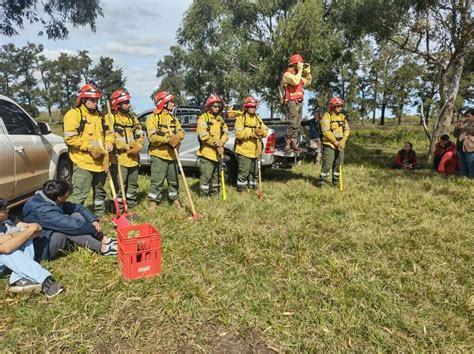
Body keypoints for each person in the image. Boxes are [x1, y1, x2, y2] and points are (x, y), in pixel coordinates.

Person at [23, 180, 117, 260]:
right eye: (67, 195)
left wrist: (93, 220)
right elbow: (73, 226)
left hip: (48, 234)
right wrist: (94, 230)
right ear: (59, 197)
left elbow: (78, 208)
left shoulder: (47, 198)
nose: (68, 196)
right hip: (41, 249)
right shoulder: (42, 211)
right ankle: (102, 248)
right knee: (67, 229)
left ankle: (103, 239)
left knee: (75, 214)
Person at [63, 83, 114, 217]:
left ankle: (100, 216)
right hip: (83, 162)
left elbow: (109, 133)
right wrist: (90, 147)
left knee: (100, 192)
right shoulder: (73, 114)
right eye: (92, 100)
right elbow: (70, 138)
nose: (95, 103)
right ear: (83, 100)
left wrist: (109, 143)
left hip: (101, 163)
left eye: (97, 100)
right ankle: (72, 219)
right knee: (80, 193)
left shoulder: (101, 116)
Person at [0, 198, 64, 298]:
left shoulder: (10, 219)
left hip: (9, 262)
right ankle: (45, 281)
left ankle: (19, 280)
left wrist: (11, 237)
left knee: (25, 241)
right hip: (6, 257)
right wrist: (18, 235)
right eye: (4, 209)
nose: (8, 210)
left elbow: (37, 229)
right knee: (8, 252)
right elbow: (6, 248)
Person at [146, 91, 185, 209]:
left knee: (174, 180)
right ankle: (153, 202)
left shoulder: (173, 118)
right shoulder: (152, 118)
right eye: (171, 102)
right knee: (157, 180)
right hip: (159, 155)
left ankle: (175, 200)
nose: (173, 104)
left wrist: (177, 137)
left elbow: (181, 131)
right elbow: (152, 138)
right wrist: (168, 139)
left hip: (173, 155)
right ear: (163, 103)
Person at [107, 88, 144, 210]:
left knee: (132, 183)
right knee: (119, 185)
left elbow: (139, 132)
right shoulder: (111, 117)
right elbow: (109, 136)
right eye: (126, 103)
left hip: (133, 158)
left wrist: (138, 145)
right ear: (118, 104)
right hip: (119, 159)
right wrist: (125, 146)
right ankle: (119, 207)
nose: (129, 105)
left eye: (129, 102)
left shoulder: (132, 118)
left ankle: (131, 204)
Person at [196, 94, 229, 197]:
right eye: (214, 106)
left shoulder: (220, 119)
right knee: (206, 176)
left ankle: (215, 194)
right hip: (207, 153)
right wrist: (216, 143)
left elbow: (225, 132)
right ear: (209, 107)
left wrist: (222, 142)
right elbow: (204, 136)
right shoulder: (203, 118)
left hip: (218, 155)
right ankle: (204, 196)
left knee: (217, 176)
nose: (217, 108)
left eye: (218, 106)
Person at [234, 96, 268, 193]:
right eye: (251, 107)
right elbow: (239, 134)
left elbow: (265, 130)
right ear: (246, 108)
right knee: (243, 172)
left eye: (254, 107)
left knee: (255, 173)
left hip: (256, 151)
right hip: (244, 151)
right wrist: (252, 133)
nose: (253, 108)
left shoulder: (258, 119)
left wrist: (262, 132)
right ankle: (242, 190)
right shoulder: (240, 119)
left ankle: (254, 188)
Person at [281, 53, 312, 153]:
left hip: (299, 102)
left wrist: (307, 72)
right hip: (291, 101)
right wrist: (300, 71)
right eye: (299, 64)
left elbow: (308, 81)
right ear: (294, 64)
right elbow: (295, 81)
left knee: (297, 124)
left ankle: (293, 142)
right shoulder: (287, 75)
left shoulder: (297, 75)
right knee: (292, 123)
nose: (300, 66)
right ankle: (287, 143)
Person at [317, 97, 350, 186]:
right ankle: (322, 182)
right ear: (332, 107)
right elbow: (326, 131)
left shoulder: (343, 117)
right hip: (329, 144)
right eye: (338, 106)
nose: (340, 108)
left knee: (339, 165)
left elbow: (347, 130)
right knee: (327, 164)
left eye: (341, 106)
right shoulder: (326, 116)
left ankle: (336, 182)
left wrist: (343, 141)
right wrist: (335, 142)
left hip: (340, 145)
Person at [453, 108, 474, 178]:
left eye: (469, 116)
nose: (467, 118)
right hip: (460, 147)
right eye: (466, 116)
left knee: (471, 163)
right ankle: (463, 176)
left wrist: (464, 128)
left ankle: (471, 177)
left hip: (470, 148)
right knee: (462, 163)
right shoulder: (464, 124)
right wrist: (456, 128)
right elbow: (455, 135)